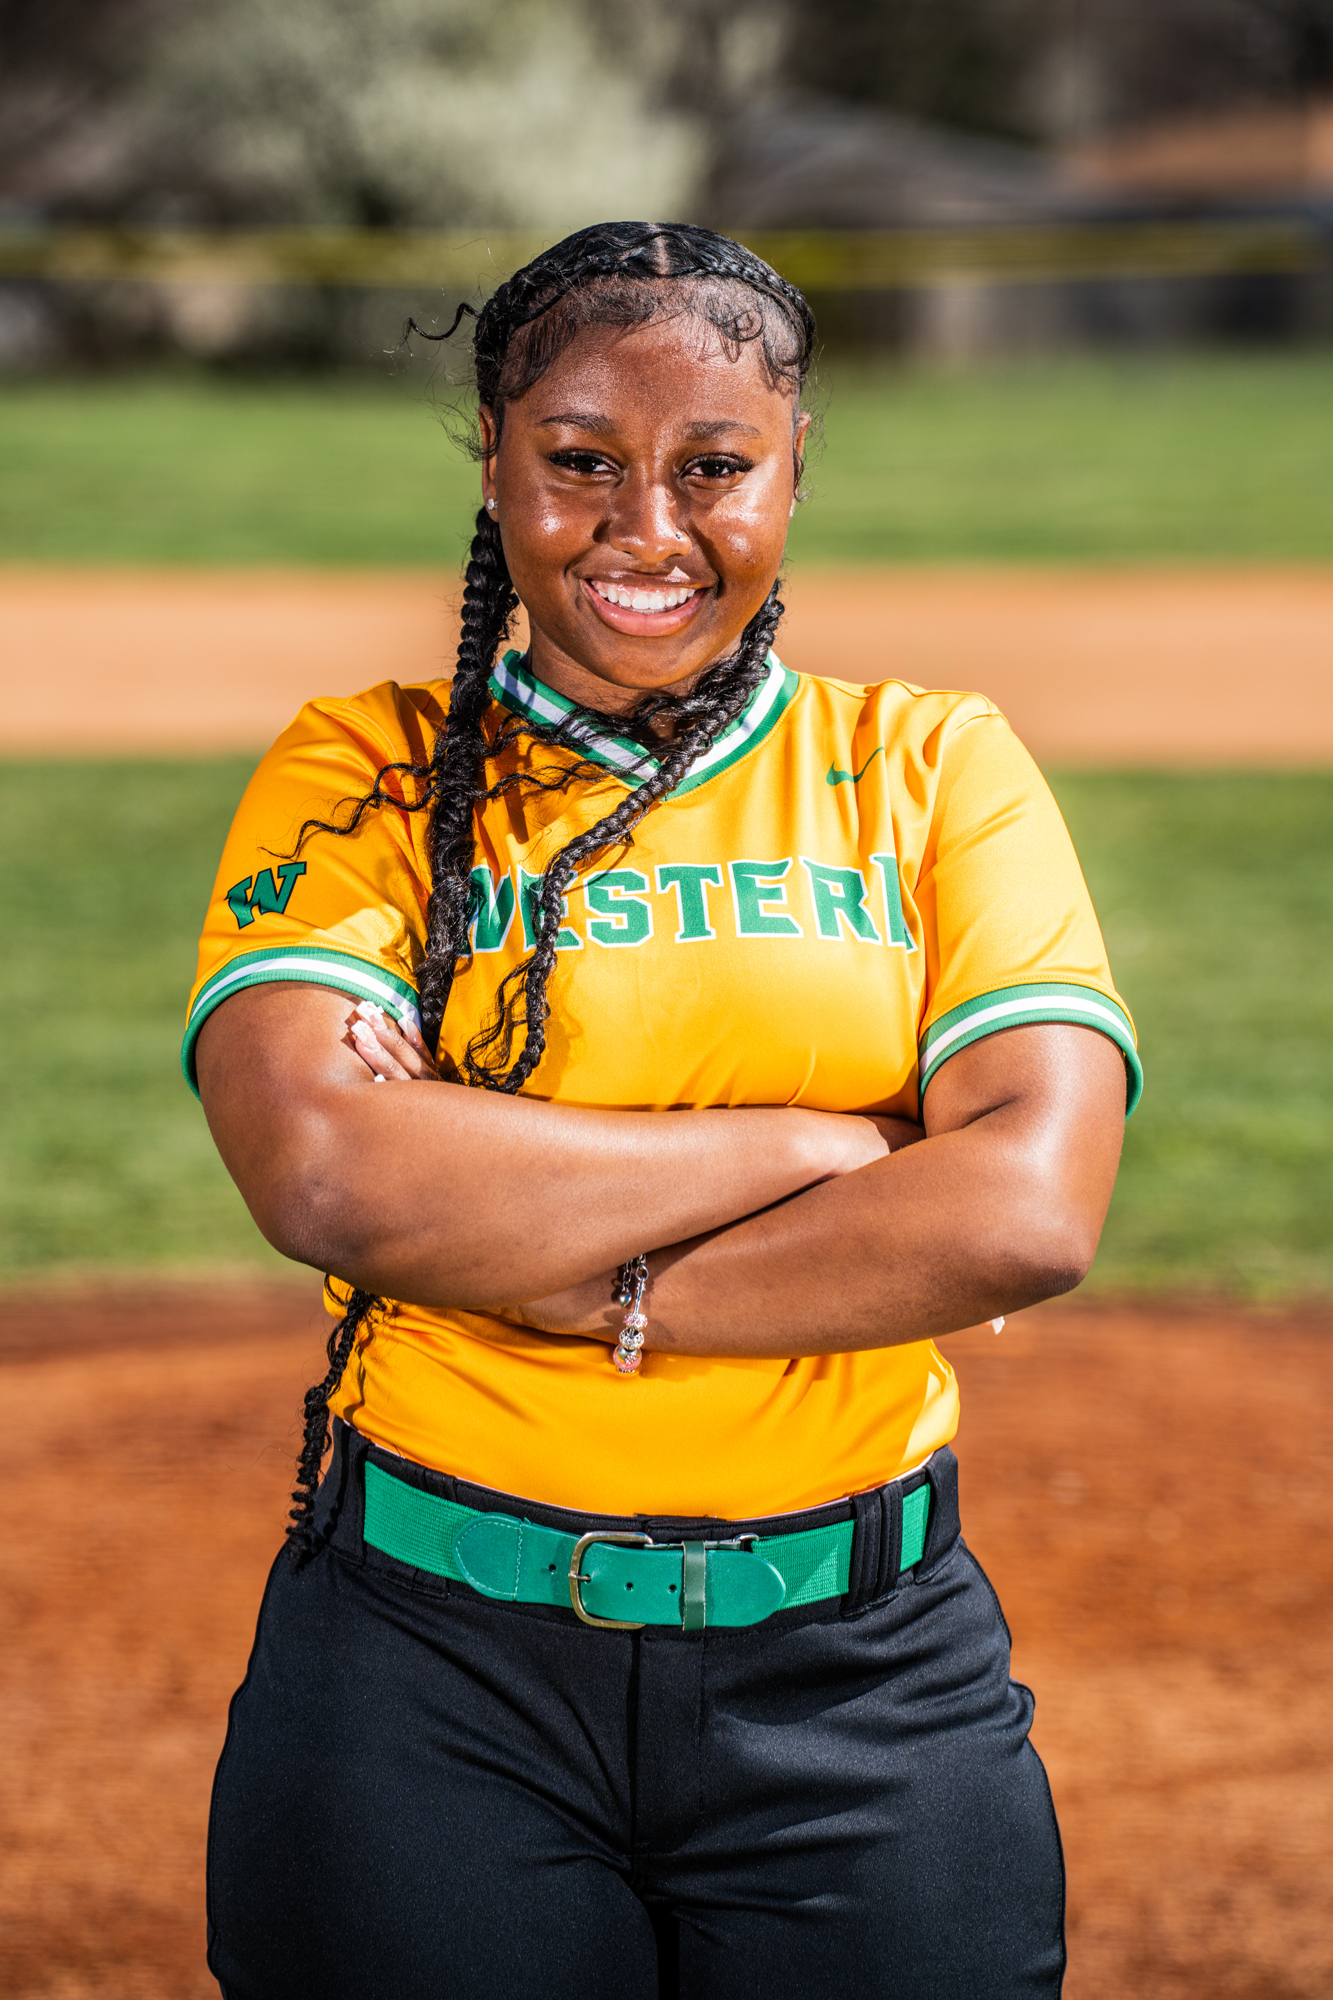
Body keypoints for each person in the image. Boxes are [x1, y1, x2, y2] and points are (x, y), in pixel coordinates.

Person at [187, 221, 1139, 2000]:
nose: (645, 528)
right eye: (579, 462)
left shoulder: (929, 766)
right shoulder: (368, 772)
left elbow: (1026, 1207)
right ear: (495, 461)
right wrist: (817, 1147)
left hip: (862, 1680)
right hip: (426, 1670)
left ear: (790, 470)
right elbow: (324, 1169)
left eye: (712, 467)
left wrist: (580, 1279)